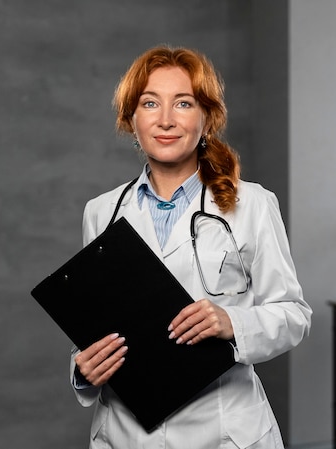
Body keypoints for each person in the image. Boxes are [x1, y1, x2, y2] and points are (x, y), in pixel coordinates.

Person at [69, 45, 312, 448]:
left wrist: (234, 323)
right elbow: (96, 327)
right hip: (125, 433)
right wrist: (82, 368)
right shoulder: (102, 212)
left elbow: (294, 315)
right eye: (150, 103)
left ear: (207, 117)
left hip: (225, 431)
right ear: (131, 119)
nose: (165, 120)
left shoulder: (252, 204)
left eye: (183, 103)